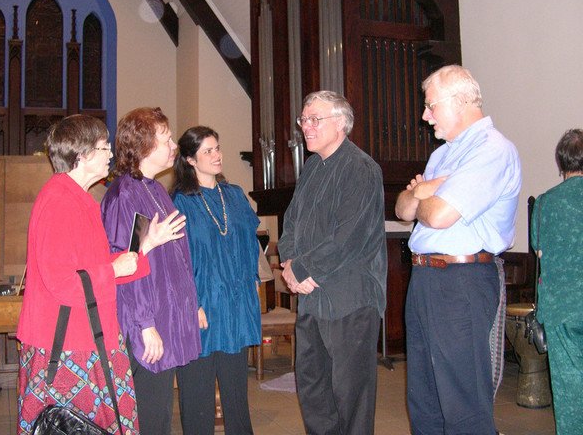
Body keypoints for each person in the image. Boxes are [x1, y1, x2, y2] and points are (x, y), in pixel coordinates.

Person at [17, 114, 167, 434]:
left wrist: (142, 249)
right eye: (103, 147)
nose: (110, 154)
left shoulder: (80, 198)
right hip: (69, 344)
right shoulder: (58, 199)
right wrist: (113, 268)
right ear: (81, 155)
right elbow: (62, 282)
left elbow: (93, 265)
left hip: (91, 338)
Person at [395, 65, 522, 434]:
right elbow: (402, 208)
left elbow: (439, 215)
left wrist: (424, 192)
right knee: (425, 400)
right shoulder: (443, 155)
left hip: (462, 281)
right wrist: (428, 189)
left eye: (431, 105)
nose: (424, 115)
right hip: (425, 279)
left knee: (463, 403)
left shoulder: (493, 149)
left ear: (462, 101)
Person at [277, 90, 387, 435]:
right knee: (313, 392)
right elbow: (290, 222)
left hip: (350, 300)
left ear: (341, 123)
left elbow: (348, 237)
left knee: (351, 398)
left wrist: (301, 269)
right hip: (312, 299)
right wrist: (291, 263)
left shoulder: (362, 169)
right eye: (303, 120)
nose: (305, 127)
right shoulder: (312, 167)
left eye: (314, 119)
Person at [100, 107, 202, 434]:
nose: (174, 146)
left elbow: (174, 258)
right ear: (144, 145)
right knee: (150, 417)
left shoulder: (155, 189)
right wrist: (146, 324)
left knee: (160, 415)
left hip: (165, 315)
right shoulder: (125, 194)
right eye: (167, 138)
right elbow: (126, 262)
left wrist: (191, 305)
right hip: (146, 322)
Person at [171, 126, 261, 435]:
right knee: (197, 399)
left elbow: (251, 244)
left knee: (237, 397)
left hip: (235, 306)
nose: (217, 154)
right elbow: (176, 260)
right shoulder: (179, 201)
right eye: (207, 151)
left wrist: (252, 288)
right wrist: (189, 305)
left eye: (217, 148)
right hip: (201, 308)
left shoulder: (234, 195)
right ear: (190, 160)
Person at [530, 128, 583, 435]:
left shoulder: (547, 203)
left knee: (568, 387)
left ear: (562, 162)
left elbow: (540, 250)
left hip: (561, 308)